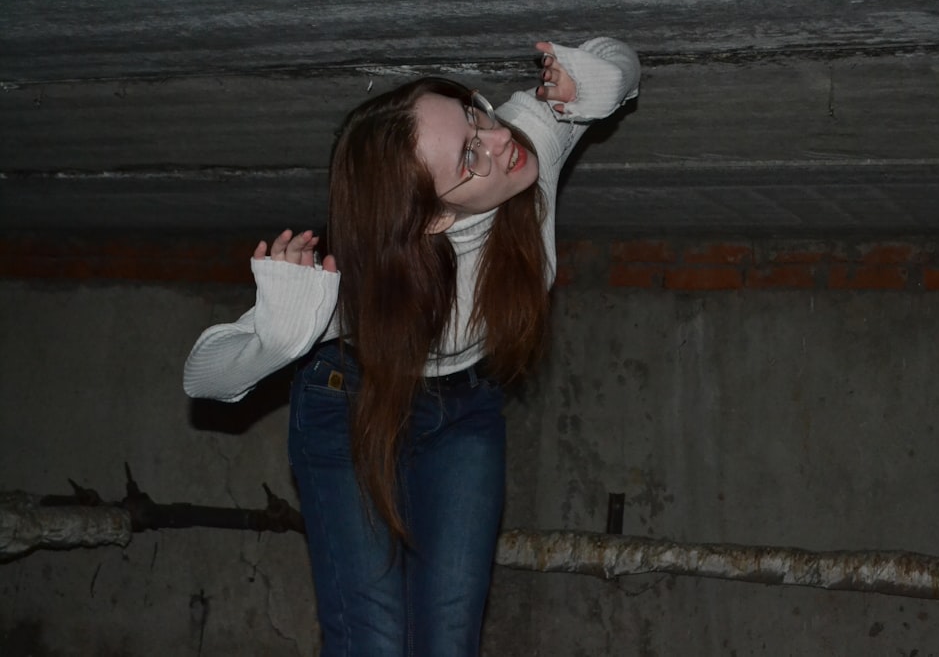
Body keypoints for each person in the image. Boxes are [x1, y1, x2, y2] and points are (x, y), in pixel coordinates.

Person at [184, 36, 640, 657]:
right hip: (349, 406)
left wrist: (596, 81)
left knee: (448, 641)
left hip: (467, 411)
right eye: (470, 155)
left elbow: (616, 57)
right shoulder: (362, 284)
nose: (501, 142)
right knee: (372, 638)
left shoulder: (525, 138)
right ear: (432, 220)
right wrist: (277, 337)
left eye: (476, 113)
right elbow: (203, 378)